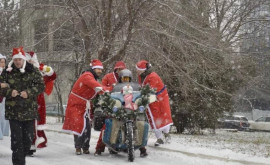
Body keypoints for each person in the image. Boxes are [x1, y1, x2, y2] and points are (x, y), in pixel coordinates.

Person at [0, 47, 45, 165]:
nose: (17, 62)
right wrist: (10, 92)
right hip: (13, 112)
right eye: (15, 60)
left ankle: (20, 156)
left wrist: (29, 92)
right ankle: (18, 162)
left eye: (19, 60)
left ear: (23, 59)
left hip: (29, 112)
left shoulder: (33, 71)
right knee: (16, 141)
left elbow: (41, 86)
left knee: (27, 140)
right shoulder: (7, 71)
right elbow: (0, 88)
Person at [95, 68, 148, 157]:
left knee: (140, 123)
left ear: (130, 78)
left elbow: (140, 95)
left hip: (132, 110)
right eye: (124, 78)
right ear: (120, 78)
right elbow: (110, 94)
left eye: (127, 78)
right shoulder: (115, 87)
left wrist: (144, 97)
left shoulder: (136, 87)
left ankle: (142, 148)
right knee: (108, 124)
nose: (125, 80)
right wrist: (107, 98)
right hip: (119, 110)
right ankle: (99, 148)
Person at [62, 59, 111, 155]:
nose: (100, 71)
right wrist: (109, 89)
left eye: (101, 69)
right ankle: (78, 147)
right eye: (98, 69)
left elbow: (98, 88)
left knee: (87, 126)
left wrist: (110, 89)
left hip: (84, 104)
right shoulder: (87, 76)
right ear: (93, 68)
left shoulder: (92, 76)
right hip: (76, 103)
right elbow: (97, 87)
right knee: (79, 125)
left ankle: (85, 147)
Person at [25, 51, 57, 156]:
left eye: (32, 60)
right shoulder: (21, 71)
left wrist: (49, 70)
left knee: (36, 122)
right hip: (25, 99)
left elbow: (52, 76)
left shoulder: (40, 70)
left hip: (38, 100)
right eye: (29, 60)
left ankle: (32, 144)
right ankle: (28, 144)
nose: (31, 62)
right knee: (27, 122)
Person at [136, 60, 173, 146]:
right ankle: (159, 138)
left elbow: (150, 89)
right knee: (154, 118)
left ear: (143, 70)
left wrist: (144, 95)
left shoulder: (153, 76)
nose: (137, 71)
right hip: (151, 99)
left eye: (138, 69)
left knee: (162, 117)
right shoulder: (141, 76)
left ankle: (166, 134)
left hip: (159, 98)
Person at [0, 53, 9, 140]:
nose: (3, 64)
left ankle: (3, 131)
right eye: (1, 62)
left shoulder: (6, 72)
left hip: (5, 97)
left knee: (3, 115)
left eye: (4, 62)